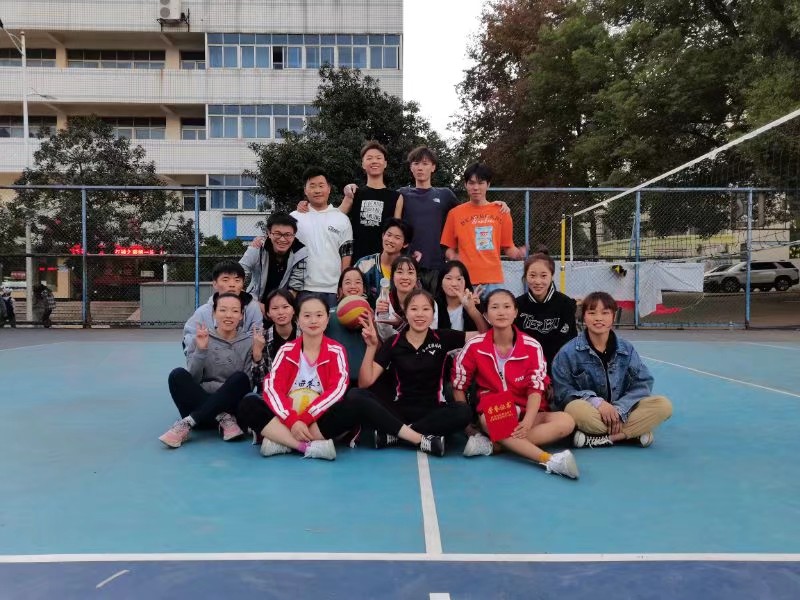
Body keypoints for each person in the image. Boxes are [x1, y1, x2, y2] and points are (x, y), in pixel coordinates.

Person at [452, 289, 579, 478]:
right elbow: (459, 385)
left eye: (507, 307)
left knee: (566, 421)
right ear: (486, 314)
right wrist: (467, 426)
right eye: (495, 307)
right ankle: (550, 460)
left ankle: (495, 445)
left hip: (528, 411)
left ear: (515, 312)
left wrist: (527, 421)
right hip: (496, 411)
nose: (501, 312)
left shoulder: (532, 346)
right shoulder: (475, 346)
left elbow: (536, 388)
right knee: (489, 420)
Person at [348, 289, 475, 456]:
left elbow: (486, 335)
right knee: (355, 394)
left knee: (463, 411)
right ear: (406, 313)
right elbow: (365, 382)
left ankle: (397, 435)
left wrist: (472, 309)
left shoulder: (443, 337)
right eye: (414, 309)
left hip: (433, 412)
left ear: (433, 314)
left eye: (426, 309)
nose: (420, 314)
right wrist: (371, 346)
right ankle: (418, 437)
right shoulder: (394, 342)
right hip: (398, 411)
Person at [237, 294, 358, 460]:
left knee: (354, 403)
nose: (313, 321)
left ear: (327, 319)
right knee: (248, 403)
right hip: (287, 416)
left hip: (318, 418)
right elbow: (273, 388)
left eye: (319, 315)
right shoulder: (287, 350)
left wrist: (306, 418)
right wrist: (292, 420)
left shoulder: (336, 350)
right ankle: (306, 447)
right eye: (307, 316)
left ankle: (280, 440)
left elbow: (337, 390)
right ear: (298, 320)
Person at [551, 291, 673, 449]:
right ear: (583, 317)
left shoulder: (626, 349)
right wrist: (597, 402)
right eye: (592, 313)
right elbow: (563, 392)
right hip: (591, 411)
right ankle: (632, 433)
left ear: (613, 317)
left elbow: (642, 384)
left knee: (663, 405)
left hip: (623, 411)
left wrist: (619, 410)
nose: (598, 318)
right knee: (574, 409)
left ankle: (603, 437)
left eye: (605, 313)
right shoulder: (568, 352)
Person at [159, 291, 267, 448]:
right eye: (223, 310)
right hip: (202, 405)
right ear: (214, 313)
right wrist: (201, 351)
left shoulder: (249, 342)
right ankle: (219, 417)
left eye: (235, 311)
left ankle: (189, 422)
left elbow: (247, 386)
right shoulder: (202, 337)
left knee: (240, 377)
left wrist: (257, 354)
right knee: (177, 375)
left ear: (241, 315)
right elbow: (193, 378)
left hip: (231, 410)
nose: (228, 315)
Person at [440, 163, 526, 298]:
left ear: (488, 185)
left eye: (480, 183)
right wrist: (454, 257)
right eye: (471, 183)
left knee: (495, 312)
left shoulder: (502, 211)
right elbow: (448, 248)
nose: (476, 187)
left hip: (494, 281)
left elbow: (508, 247)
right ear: (465, 185)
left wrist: (519, 253)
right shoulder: (454, 214)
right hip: (465, 281)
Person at [290, 167, 354, 308]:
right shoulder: (294, 217)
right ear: (305, 190)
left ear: (329, 188)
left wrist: (342, 284)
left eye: (321, 185)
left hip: (332, 289)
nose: (317, 190)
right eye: (312, 186)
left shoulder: (341, 219)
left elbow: (346, 254)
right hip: (301, 288)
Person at [515, 248, 578, 374]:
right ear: (526, 276)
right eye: (532, 275)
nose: (538, 281)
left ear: (552, 276)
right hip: (526, 367)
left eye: (543, 276)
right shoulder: (517, 305)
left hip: (558, 368)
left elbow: (569, 342)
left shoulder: (566, 304)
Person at [339, 141, 404, 261]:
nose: (374, 161)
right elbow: (334, 217)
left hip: (383, 261)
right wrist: (309, 207)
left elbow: (397, 231)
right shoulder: (354, 193)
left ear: (385, 163)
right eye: (369, 158)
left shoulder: (396, 197)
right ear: (363, 164)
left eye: (378, 158)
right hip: (356, 260)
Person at [183, 261, 263, 352]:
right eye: (225, 280)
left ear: (243, 283)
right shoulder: (203, 312)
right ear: (215, 284)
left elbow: (256, 336)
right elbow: (190, 338)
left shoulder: (252, 308)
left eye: (237, 280)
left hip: (242, 357)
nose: (232, 284)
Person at [238, 212, 308, 314]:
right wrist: (255, 304)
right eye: (277, 234)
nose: (282, 239)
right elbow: (238, 272)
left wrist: (277, 309)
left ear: (294, 235)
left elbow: (295, 287)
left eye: (288, 235)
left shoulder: (300, 253)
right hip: (254, 303)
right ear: (269, 233)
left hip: (282, 305)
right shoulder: (257, 248)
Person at [325, 267, 372, 387]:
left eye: (358, 282)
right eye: (347, 282)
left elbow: (378, 350)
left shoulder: (371, 315)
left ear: (364, 288)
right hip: (334, 381)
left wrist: (372, 324)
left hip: (363, 382)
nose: (353, 286)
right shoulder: (328, 315)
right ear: (340, 289)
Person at [374, 255, 438, 340]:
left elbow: (429, 337)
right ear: (392, 276)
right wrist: (383, 315)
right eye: (400, 272)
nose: (405, 277)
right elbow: (385, 338)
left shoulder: (428, 302)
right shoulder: (384, 300)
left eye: (410, 273)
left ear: (417, 277)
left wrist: (401, 326)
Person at [355, 217, 413, 303]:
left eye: (397, 238)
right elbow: (352, 294)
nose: (390, 240)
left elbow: (414, 297)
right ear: (383, 236)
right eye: (389, 235)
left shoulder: (409, 269)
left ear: (405, 244)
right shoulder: (364, 264)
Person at [435, 260, 486, 332]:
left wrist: (472, 309)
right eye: (448, 278)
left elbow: (486, 333)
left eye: (459, 279)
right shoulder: (433, 305)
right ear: (440, 282)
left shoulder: (476, 303)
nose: (454, 284)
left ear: (466, 282)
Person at [263, 288, 298, 366]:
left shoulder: (306, 335)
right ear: (268, 313)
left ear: (294, 310)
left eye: (285, 307)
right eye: (275, 308)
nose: (281, 312)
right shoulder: (263, 339)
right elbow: (259, 372)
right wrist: (257, 355)